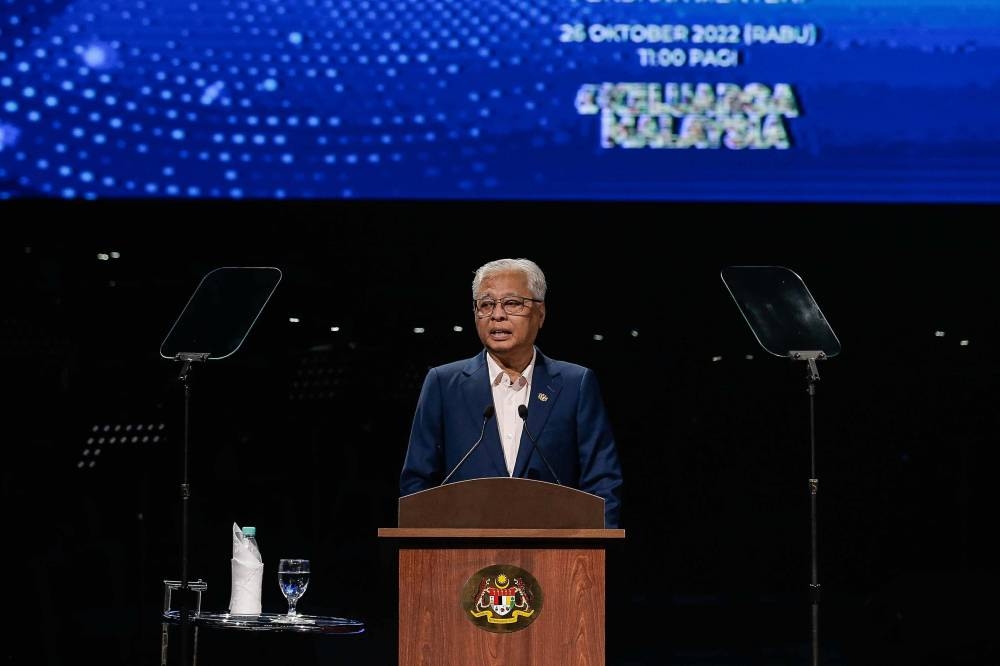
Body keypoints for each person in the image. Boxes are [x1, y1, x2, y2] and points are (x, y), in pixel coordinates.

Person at [399, 258, 624, 528]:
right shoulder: (442, 384)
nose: (497, 315)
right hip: (462, 560)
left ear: (540, 313)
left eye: (512, 303)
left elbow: (603, 481)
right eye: (486, 304)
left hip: (556, 558)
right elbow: (417, 482)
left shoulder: (576, 384)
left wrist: (593, 556)